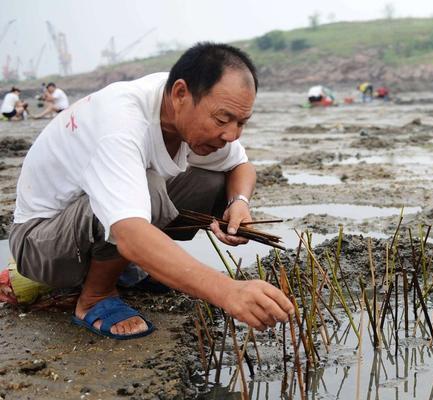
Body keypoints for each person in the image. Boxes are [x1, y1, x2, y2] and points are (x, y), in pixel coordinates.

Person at [9, 42, 294, 339]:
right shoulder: (122, 122)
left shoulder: (179, 106)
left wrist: (239, 203)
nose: (232, 135)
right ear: (181, 94)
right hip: (41, 243)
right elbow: (129, 233)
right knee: (150, 188)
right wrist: (227, 291)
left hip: (86, 224)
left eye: (241, 123)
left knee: (212, 183)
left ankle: (126, 269)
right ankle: (95, 296)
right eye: (222, 120)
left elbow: (241, 166)